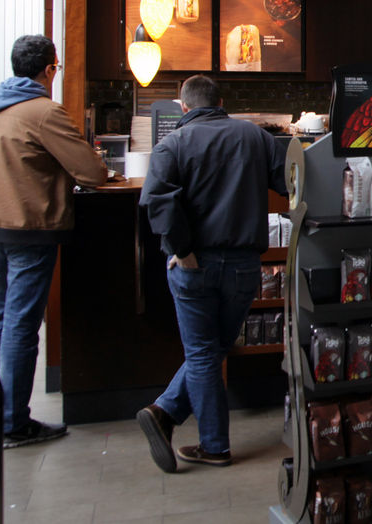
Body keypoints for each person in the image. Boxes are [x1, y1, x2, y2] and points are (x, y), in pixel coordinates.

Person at [137, 75, 287, 472]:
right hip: (243, 266)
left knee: (204, 352)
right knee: (213, 349)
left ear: (182, 107)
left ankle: (213, 444)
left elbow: (156, 200)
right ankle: (164, 414)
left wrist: (182, 251)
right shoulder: (256, 138)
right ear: (222, 102)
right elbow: (291, 182)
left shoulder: (171, 144)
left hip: (194, 266)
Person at [0, 34, 108, 448]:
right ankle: (14, 422)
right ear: (49, 69)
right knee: (21, 325)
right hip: (29, 229)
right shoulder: (44, 112)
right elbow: (92, 173)